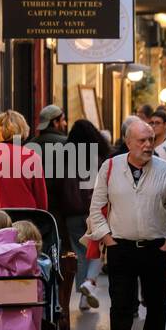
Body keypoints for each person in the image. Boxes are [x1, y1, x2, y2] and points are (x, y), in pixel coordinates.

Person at [88, 116, 166, 330]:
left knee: (157, 307)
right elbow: (96, 208)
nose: (148, 145)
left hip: (155, 248)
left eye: (151, 140)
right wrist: (108, 240)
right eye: (142, 141)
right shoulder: (110, 167)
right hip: (121, 248)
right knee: (120, 307)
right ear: (128, 142)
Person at [25, 104, 84, 251]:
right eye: (62, 120)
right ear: (55, 122)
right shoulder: (67, 144)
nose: (64, 124)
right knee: (63, 250)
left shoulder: (29, 146)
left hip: (36, 208)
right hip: (63, 208)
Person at [66, 118, 109, 309]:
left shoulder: (65, 158)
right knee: (97, 250)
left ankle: (83, 290)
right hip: (95, 212)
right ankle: (89, 284)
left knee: (80, 252)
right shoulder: (99, 158)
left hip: (73, 213)